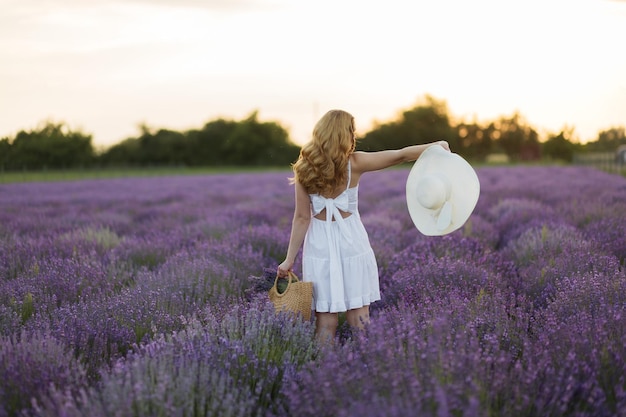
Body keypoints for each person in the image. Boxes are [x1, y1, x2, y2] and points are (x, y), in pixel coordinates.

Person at [277, 109, 450, 343]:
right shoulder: (355, 163)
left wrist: (289, 260)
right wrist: (435, 145)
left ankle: (323, 373)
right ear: (344, 134)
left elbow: (301, 218)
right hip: (352, 243)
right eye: (351, 130)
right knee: (360, 317)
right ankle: (367, 367)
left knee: (325, 320)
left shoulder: (304, 168)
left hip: (320, 247)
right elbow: (399, 155)